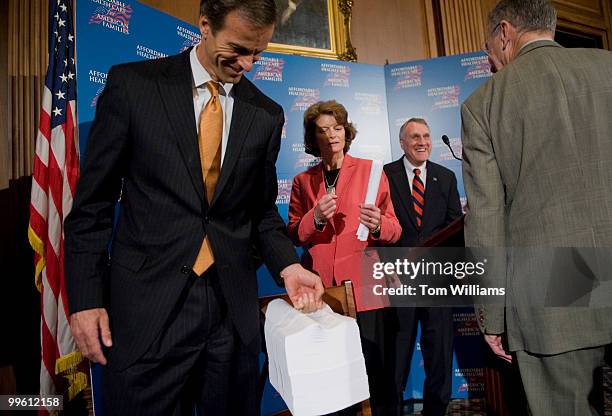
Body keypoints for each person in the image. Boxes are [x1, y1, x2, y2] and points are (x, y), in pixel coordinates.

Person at [64, 1, 324, 415]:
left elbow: (259, 212)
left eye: (259, 52)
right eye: (238, 49)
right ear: (205, 25)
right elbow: (91, 207)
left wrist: (287, 266)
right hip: (147, 310)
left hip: (230, 315)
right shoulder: (133, 86)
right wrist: (85, 300)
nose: (249, 65)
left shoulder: (266, 114)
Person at [461, 0, 612, 414]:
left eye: (489, 47)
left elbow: (486, 222)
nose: (490, 60)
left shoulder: (483, 104)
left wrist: (492, 317)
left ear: (505, 33)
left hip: (552, 289)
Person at [287, 100, 402, 415]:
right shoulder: (302, 182)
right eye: (323, 130)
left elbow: (395, 229)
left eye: (337, 128)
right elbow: (295, 233)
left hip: (365, 289)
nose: (331, 135)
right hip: (324, 292)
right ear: (314, 138)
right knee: (333, 376)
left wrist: (378, 223)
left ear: (345, 132)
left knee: (376, 375)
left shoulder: (370, 171)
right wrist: (317, 218)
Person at [383, 118, 462, 416]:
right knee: (396, 358)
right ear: (402, 142)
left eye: (426, 136)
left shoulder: (446, 177)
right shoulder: (384, 175)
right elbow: (379, 227)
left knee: (440, 357)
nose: (422, 142)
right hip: (397, 282)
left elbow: (454, 227)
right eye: (414, 137)